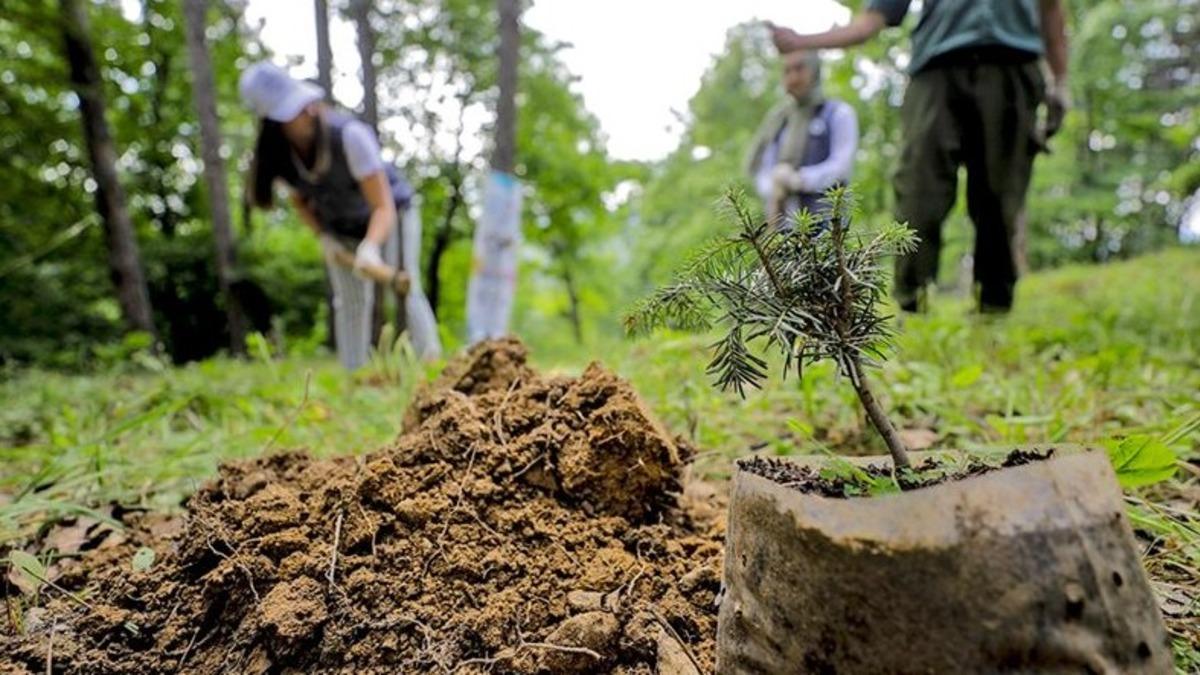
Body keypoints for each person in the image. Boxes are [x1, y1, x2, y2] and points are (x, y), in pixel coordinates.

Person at [771, 0, 1069, 313]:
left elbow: (1050, 9)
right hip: (935, 70)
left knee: (1001, 193)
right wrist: (801, 41)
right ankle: (912, 303)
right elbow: (870, 21)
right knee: (919, 188)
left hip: (1013, 64)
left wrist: (1061, 81)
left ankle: (994, 308)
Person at [239, 62, 440, 369]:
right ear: (274, 122)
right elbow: (301, 202)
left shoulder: (350, 136)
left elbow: (382, 206)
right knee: (350, 300)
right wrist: (324, 237)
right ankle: (354, 374)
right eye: (293, 110)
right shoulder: (280, 156)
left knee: (404, 290)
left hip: (391, 215)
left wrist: (371, 247)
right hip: (340, 227)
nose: (307, 110)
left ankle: (431, 363)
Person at [746, 49, 859, 226]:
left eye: (799, 69)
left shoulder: (838, 113)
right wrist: (774, 185)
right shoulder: (779, 121)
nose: (793, 78)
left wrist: (798, 180)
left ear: (814, 70)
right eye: (787, 71)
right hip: (782, 227)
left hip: (828, 228)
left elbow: (841, 167)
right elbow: (763, 171)